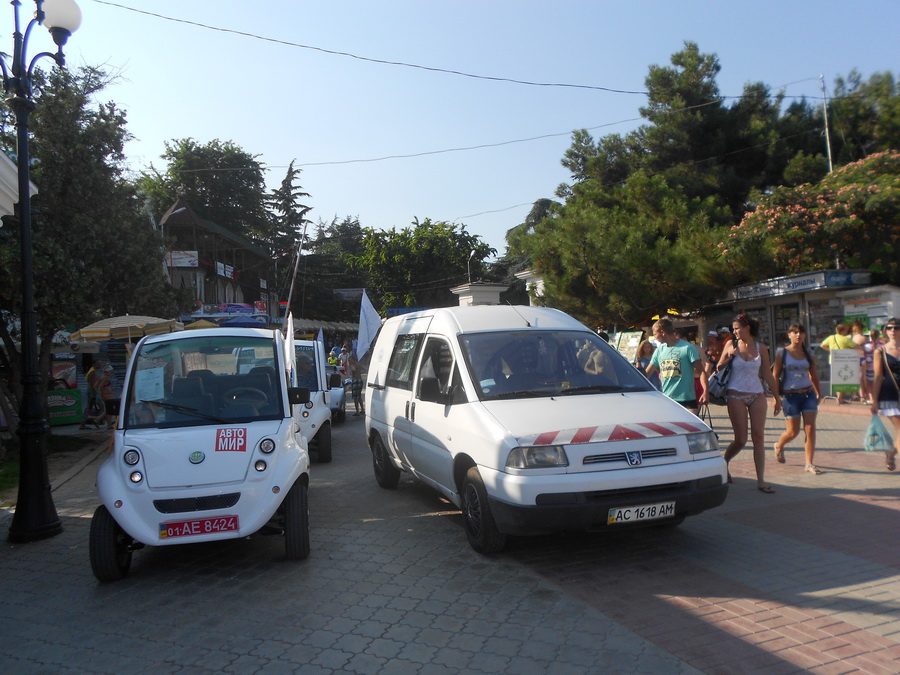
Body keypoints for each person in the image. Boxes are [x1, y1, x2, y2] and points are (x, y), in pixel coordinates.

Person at [717, 314, 782, 493]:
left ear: (747, 328)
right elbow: (718, 367)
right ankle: (725, 462)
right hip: (735, 395)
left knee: (758, 437)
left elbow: (767, 374)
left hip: (757, 394)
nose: (735, 331)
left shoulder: (760, 347)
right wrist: (728, 357)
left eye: (737, 328)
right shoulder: (731, 345)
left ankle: (761, 480)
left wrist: (777, 397)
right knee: (741, 440)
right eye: (733, 328)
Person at [772, 324, 822, 474]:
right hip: (790, 395)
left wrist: (818, 392)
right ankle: (779, 445)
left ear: (805, 335)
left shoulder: (809, 353)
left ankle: (809, 463)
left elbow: (813, 374)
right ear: (789, 335)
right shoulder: (782, 353)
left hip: (808, 394)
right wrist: (776, 398)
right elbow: (775, 375)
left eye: (801, 332)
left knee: (810, 428)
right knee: (793, 432)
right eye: (794, 332)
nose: (798, 335)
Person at [646, 318, 707, 414]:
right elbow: (647, 373)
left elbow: (702, 371)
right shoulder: (659, 351)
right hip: (668, 399)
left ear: (663, 332)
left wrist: (705, 392)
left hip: (687, 399)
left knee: (688, 428)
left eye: (654, 334)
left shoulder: (687, 348)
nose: (654, 337)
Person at [870, 318, 900, 471]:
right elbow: (878, 376)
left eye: (896, 328)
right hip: (890, 395)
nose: (893, 330)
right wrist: (874, 400)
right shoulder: (880, 351)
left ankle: (891, 453)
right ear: (886, 331)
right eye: (890, 328)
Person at [820, 321, 858, 403]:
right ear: (843, 331)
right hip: (843, 360)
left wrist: (830, 350)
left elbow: (822, 345)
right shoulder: (845, 339)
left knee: (836, 379)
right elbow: (856, 346)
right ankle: (840, 398)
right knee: (842, 379)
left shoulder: (831, 337)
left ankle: (839, 397)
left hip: (833, 360)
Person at [862, 329, 881, 404]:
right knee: (878, 382)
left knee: (869, 383)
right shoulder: (882, 345)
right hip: (878, 365)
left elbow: (864, 355)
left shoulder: (866, 345)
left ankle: (871, 399)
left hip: (869, 365)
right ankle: (877, 398)